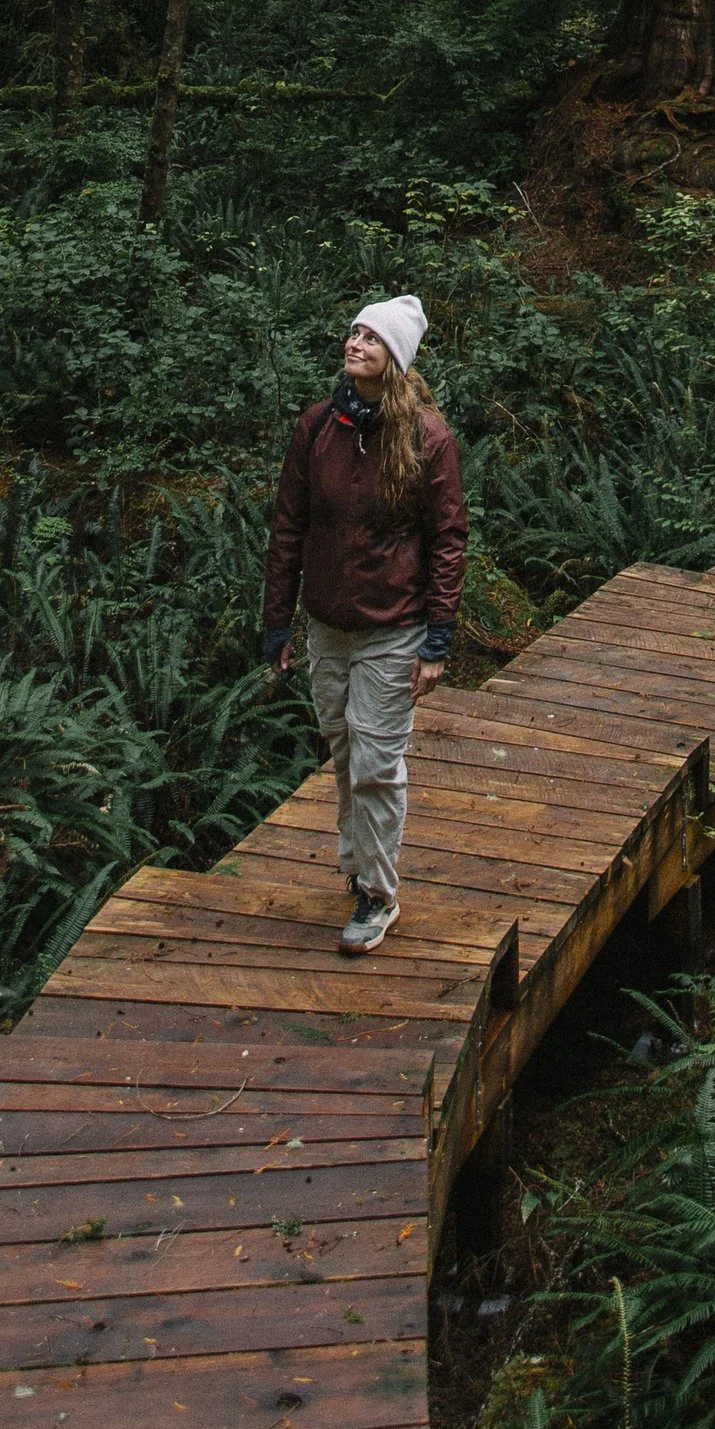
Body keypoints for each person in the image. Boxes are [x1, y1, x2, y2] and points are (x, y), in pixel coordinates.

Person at [263, 294, 467, 955]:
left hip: (394, 625)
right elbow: (289, 526)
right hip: (327, 624)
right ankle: (358, 868)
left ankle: (379, 894)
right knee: (345, 750)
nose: (355, 343)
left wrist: (438, 636)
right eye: (353, 332)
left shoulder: (426, 438)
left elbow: (448, 538)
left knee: (377, 759)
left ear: (395, 358)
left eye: (371, 338)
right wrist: (278, 622)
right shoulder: (317, 428)